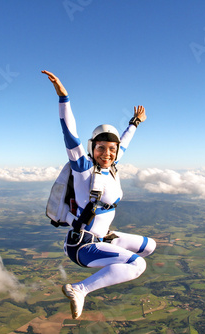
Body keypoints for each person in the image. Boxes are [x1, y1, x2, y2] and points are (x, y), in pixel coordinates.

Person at [42, 70, 156, 319]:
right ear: (92, 148)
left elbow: (123, 143)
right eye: (101, 148)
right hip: (83, 246)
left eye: (111, 149)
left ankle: (111, 258)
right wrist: (64, 97)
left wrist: (135, 122)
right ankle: (79, 289)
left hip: (100, 238)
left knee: (149, 247)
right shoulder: (83, 169)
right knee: (138, 264)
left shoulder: (112, 167)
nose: (107, 153)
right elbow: (69, 134)